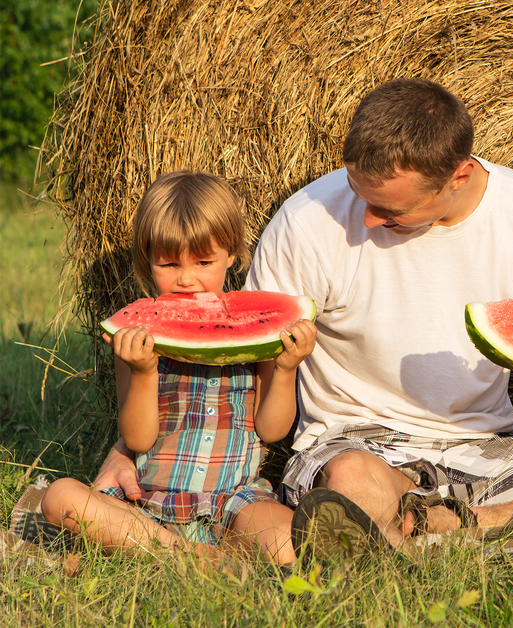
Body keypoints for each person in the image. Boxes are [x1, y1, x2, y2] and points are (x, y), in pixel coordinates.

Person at [95, 78, 513, 557]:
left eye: (391, 210)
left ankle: (460, 533)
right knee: (347, 478)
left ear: (457, 177)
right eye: (362, 196)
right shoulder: (308, 221)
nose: (368, 220)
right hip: (358, 448)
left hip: (494, 450)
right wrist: (125, 448)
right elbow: (224, 356)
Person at [40, 171, 315, 565]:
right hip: (149, 502)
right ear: (147, 260)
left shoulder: (255, 338)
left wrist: (286, 368)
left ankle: (176, 552)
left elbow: (271, 430)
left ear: (232, 255)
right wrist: (144, 371)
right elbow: (137, 439)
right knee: (60, 498)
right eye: (169, 264)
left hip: (233, 501)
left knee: (291, 539)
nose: (186, 279)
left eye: (204, 262)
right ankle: (189, 555)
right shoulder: (135, 339)